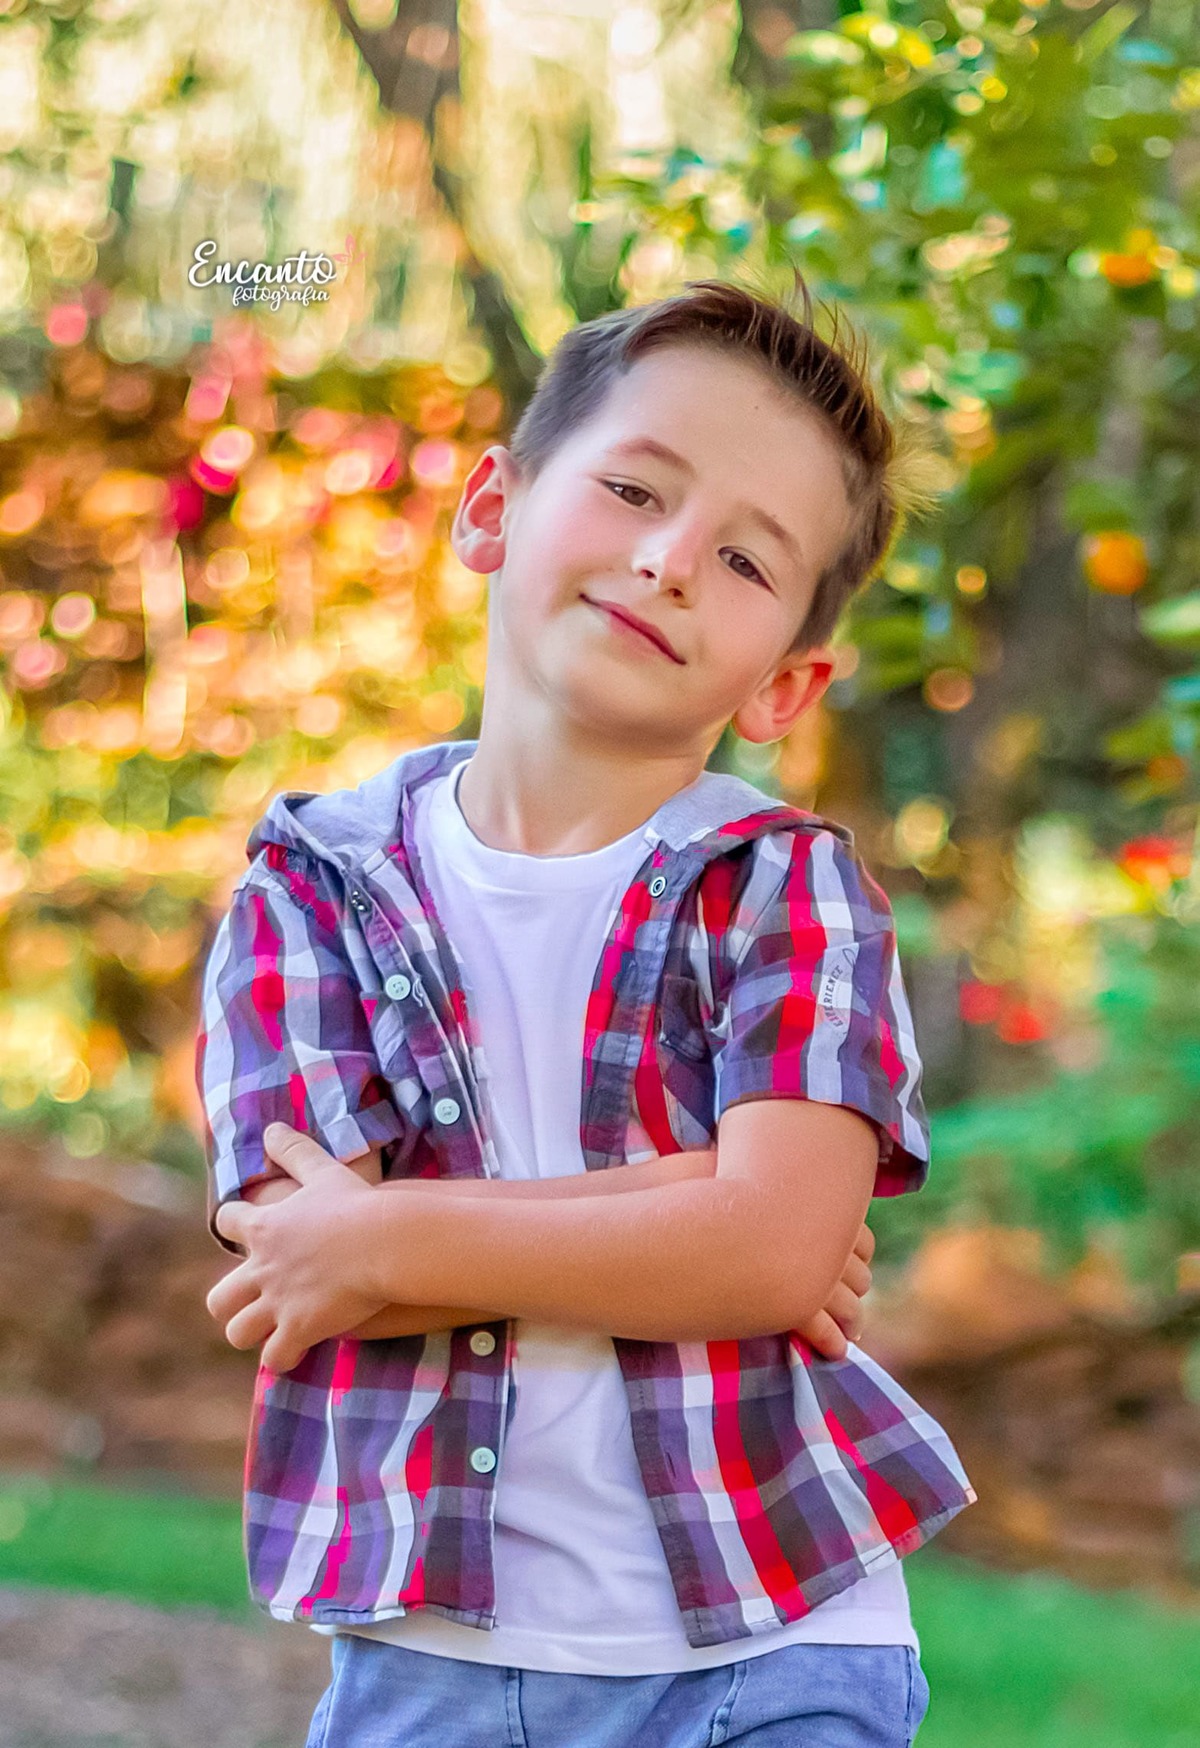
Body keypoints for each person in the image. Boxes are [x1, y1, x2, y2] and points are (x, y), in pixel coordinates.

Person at [196, 273, 975, 1748]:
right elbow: (300, 1270)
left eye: (749, 561)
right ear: (492, 508)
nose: (671, 559)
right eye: (633, 488)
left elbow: (766, 1252)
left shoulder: (786, 894)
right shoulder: (307, 893)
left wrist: (394, 1236)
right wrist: (697, 1211)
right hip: (427, 1658)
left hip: (778, 1645)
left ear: (788, 682)